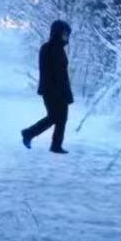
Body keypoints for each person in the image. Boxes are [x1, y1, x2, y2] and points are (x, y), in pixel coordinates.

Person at [22, 19, 73, 154]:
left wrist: (66, 92)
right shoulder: (50, 48)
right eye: (64, 33)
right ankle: (28, 133)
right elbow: (52, 72)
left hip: (58, 90)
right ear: (58, 32)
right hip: (52, 90)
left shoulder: (58, 49)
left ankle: (56, 145)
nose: (66, 36)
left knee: (61, 118)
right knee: (54, 117)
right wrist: (61, 91)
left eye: (67, 34)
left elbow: (63, 74)